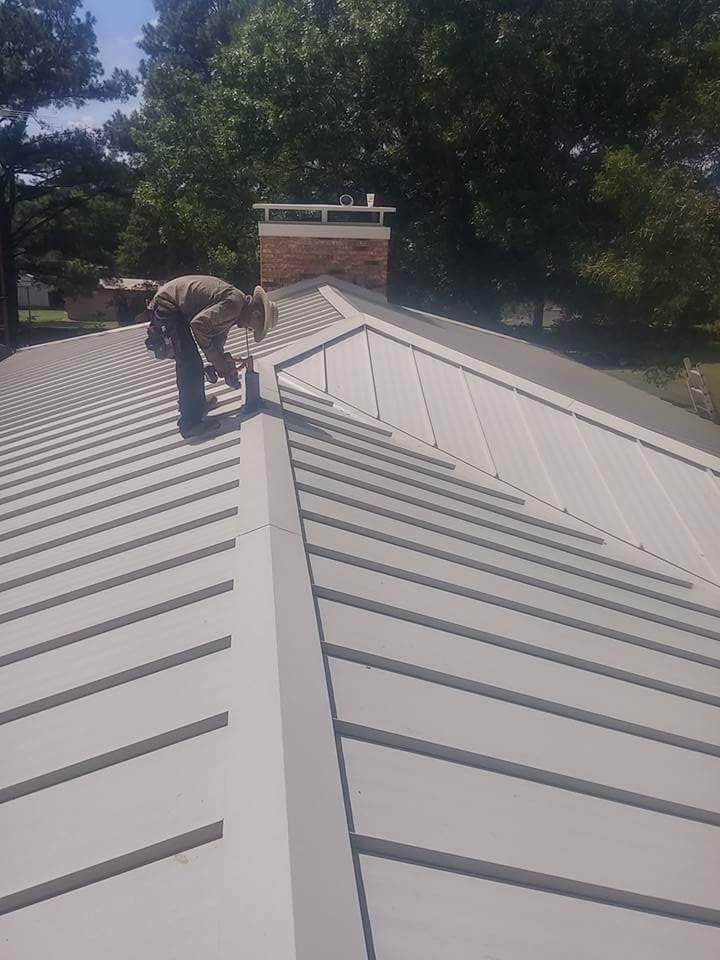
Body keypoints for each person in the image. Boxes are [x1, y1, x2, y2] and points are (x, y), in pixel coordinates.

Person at [143, 275, 278, 438]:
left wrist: (224, 366)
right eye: (252, 328)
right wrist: (217, 360)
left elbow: (217, 338)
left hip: (174, 307)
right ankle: (190, 424)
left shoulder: (236, 307)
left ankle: (197, 404)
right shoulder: (234, 305)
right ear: (256, 314)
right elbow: (199, 325)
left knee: (191, 361)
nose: (248, 330)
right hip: (168, 306)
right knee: (189, 363)